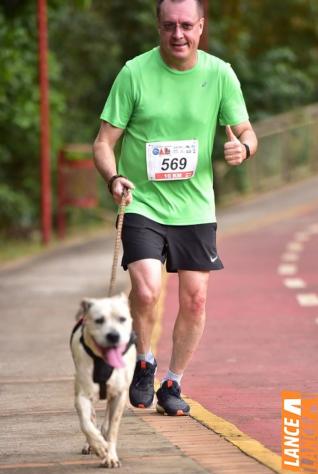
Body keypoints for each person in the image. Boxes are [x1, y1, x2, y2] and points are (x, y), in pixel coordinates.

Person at [93, 0, 258, 416]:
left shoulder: (220, 74)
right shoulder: (135, 73)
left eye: (186, 25)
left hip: (196, 208)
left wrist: (244, 147)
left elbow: (246, 131)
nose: (178, 34)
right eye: (169, 25)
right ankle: (144, 361)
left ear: (201, 27)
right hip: (142, 202)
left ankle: (173, 381)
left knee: (196, 299)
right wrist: (115, 178)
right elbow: (103, 142)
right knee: (147, 290)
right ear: (158, 27)